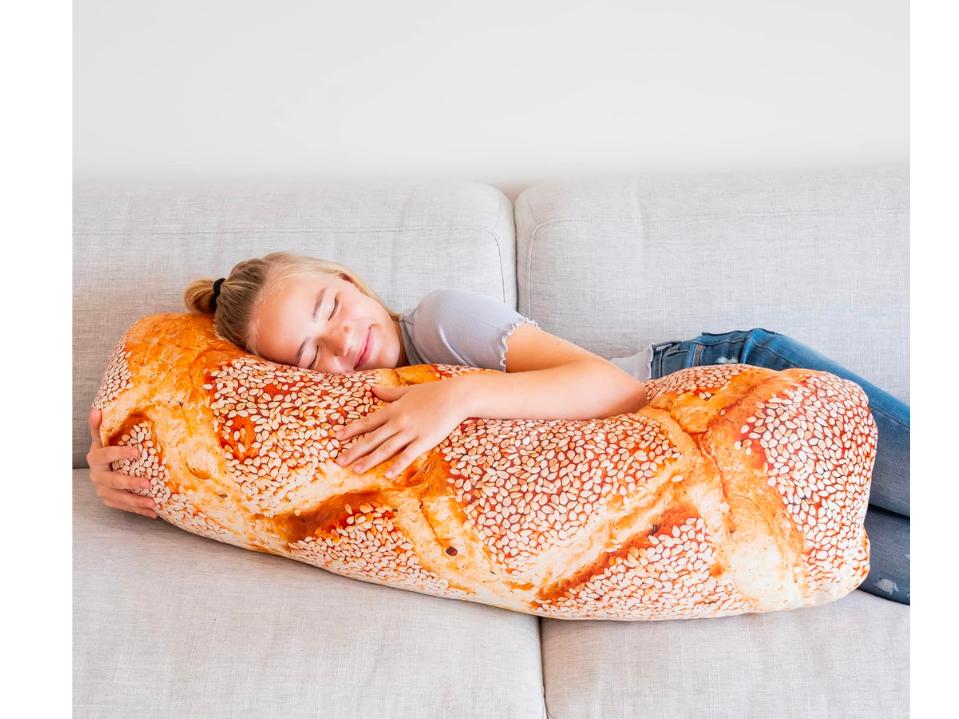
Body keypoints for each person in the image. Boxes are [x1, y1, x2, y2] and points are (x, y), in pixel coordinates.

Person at [86, 251, 909, 605]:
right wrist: (105, 456)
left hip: (718, 378)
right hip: (702, 473)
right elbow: (195, 402)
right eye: (308, 355)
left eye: (331, 307)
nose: (341, 342)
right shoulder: (341, 405)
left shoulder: (440, 325)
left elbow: (617, 388)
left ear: (350, 280)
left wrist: (459, 395)